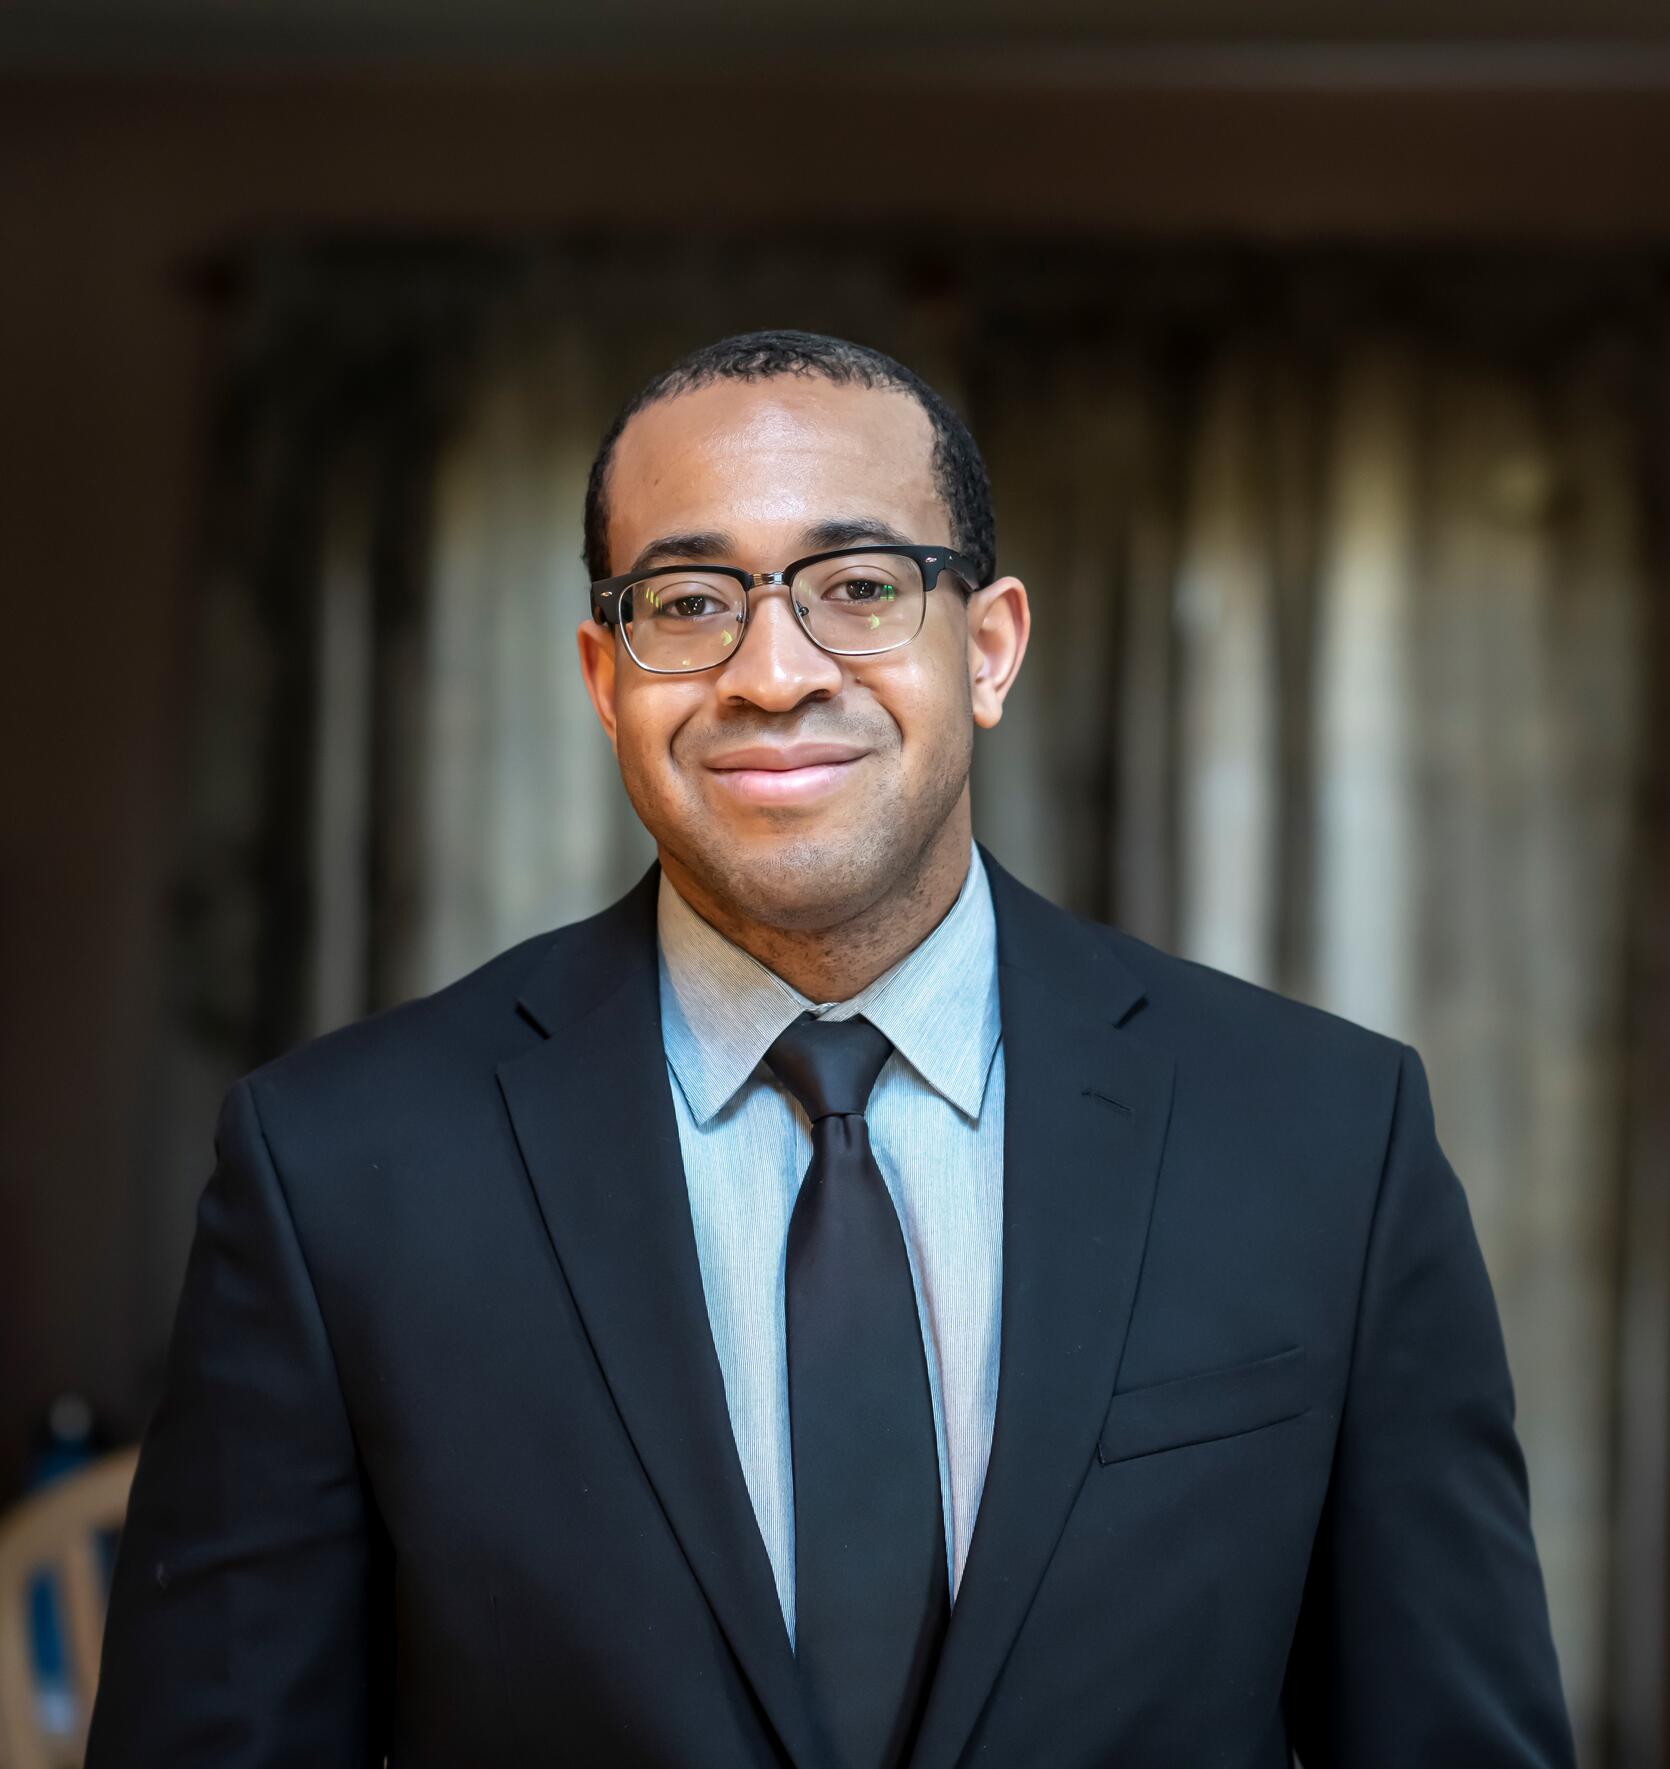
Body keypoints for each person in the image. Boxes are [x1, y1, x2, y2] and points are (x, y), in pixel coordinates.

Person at [88, 329, 1576, 1769]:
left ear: (985, 649)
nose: (771, 669)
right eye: (686, 600)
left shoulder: (1325, 1136)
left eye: (859, 585)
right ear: (607, 681)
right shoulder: (338, 1170)